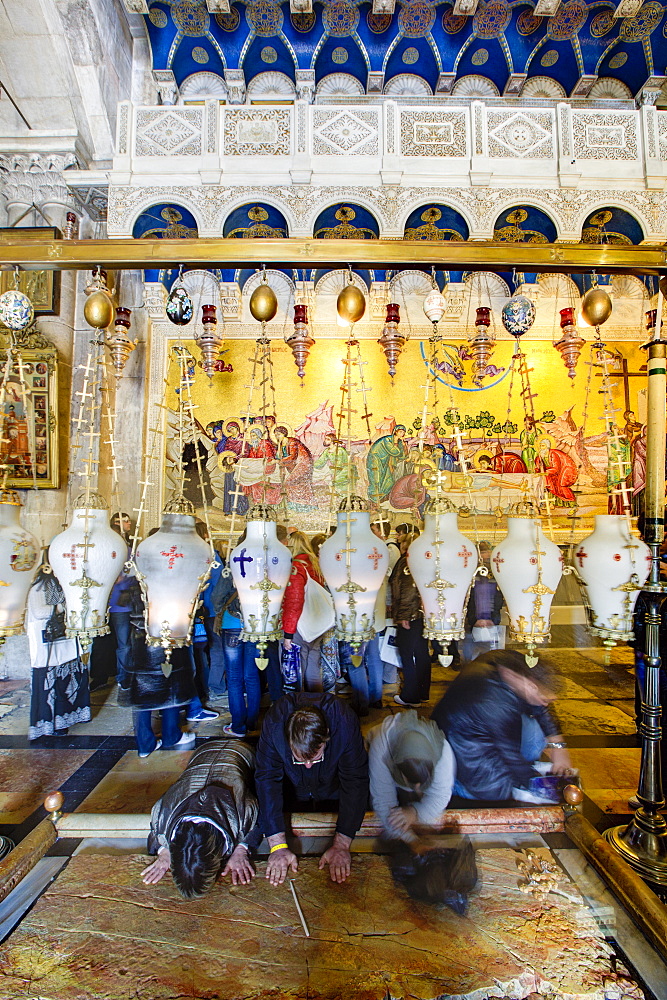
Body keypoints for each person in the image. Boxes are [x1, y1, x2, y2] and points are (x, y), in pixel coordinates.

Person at [255, 693, 369, 885]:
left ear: (326, 736)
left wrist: (342, 844)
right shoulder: (275, 724)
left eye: (315, 757)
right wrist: (277, 846)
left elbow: (354, 780)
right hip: (293, 788)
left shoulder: (344, 722)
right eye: (301, 759)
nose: (308, 765)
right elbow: (267, 779)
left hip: (332, 786)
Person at [431, 649, 571, 802]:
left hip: (474, 732)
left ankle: (525, 770)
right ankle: (454, 785)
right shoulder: (494, 702)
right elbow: (510, 754)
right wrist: (538, 784)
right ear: (531, 685)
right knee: (497, 791)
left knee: (536, 733)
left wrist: (558, 746)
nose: (545, 705)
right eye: (545, 700)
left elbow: (541, 706)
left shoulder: (512, 664)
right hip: (462, 754)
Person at [141, 739, 261, 898]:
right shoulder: (163, 815)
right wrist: (163, 851)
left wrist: (241, 849)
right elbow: (157, 835)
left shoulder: (242, 810)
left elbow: (262, 819)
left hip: (244, 750)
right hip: (203, 750)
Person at [120, 582, 196, 757]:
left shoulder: (137, 578)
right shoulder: (171, 577)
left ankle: (145, 744)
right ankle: (171, 736)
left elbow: (124, 601)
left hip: (140, 637)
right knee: (171, 685)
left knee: (142, 691)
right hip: (168, 634)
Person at [368, 710, 455, 843]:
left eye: (421, 784)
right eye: (413, 783)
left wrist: (415, 812)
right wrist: (410, 840)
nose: (417, 788)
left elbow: (440, 796)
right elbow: (382, 800)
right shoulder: (381, 749)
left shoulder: (443, 755)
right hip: (386, 769)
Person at [27, 562, 91, 740]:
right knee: (49, 682)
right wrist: (61, 607)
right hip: (46, 642)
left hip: (62, 640)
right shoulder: (40, 587)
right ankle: (51, 723)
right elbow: (39, 611)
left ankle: (66, 718)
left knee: (66, 679)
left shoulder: (61, 584)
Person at [282, 531, 327, 691]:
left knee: (296, 669)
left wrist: (288, 633)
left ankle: (299, 707)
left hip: (300, 625)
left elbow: (294, 601)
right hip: (316, 623)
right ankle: (316, 705)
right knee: (313, 665)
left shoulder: (296, 567)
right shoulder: (315, 564)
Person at [390, 532, 430, 708]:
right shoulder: (425, 559)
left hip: (411, 615)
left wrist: (404, 615)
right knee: (421, 653)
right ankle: (422, 692)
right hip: (422, 614)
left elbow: (407, 590)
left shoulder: (408, 561)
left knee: (407, 654)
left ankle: (410, 695)